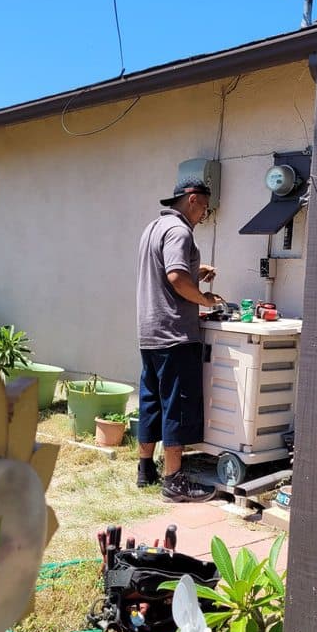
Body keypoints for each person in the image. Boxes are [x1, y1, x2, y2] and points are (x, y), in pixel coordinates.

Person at [136, 177, 223, 502]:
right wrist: (205, 300)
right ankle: (174, 481)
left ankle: (145, 469)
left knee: (152, 401)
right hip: (175, 334)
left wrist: (194, 269)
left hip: (150, 333)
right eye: (205, 208)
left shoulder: (153, 229)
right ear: (192, 200)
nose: (205, 215)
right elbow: (174, 277)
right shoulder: (179, 231)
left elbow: (167, 271)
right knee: (177, 406)